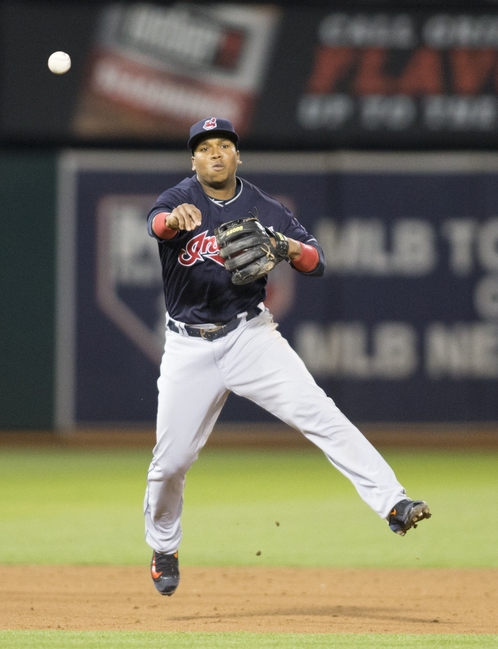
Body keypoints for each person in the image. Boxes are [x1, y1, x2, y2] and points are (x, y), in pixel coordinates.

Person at [144, 117, 431, 596]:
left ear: (238, 156)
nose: (215, 153)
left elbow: (316, 261)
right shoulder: (179, 199)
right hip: (188, 346)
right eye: (204, 148)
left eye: (224, 145)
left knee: (321, 414)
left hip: (249, 337)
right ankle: (164, 548)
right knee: (171, 462)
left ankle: (394, 504)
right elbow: (155, 224)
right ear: (193, 159)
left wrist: (286, 245)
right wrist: (172, 222)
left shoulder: (264, 207)